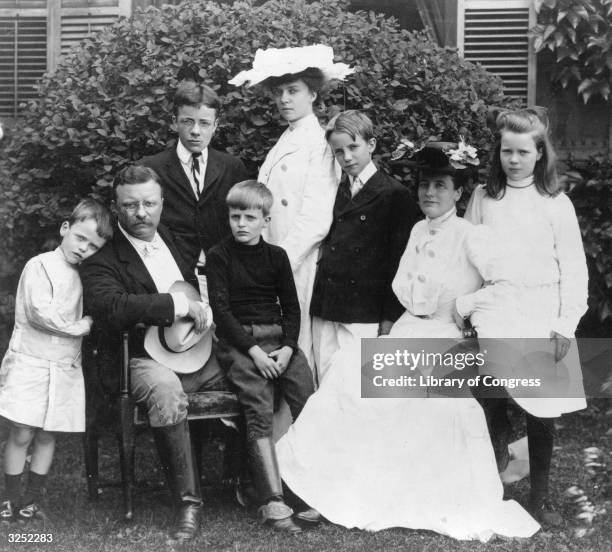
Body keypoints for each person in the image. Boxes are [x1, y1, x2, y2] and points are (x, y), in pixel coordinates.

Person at [275, 143, 540, 541]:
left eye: (439, 185)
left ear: (458, 193)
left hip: (444, 338)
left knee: (395, 398)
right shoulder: (418, 228)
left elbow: (510, 283)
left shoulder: (471, 236)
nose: (429, 193)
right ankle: (327, 489)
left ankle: (377, 494)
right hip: (406, 330)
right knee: (346, 381)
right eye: (423, 185)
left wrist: (466, 307)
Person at [80, 165, 226, 543]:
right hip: (137, 357)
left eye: (149, 203)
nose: (141, 213)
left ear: (162, 203)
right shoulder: (102, 258)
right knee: (166, 391)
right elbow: (112, 306)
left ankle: (252, 484)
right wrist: (177, 304)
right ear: (116, 208)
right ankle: (188, 503)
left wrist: (204, 308)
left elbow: (198, 285)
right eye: (130, 206)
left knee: (251, 372)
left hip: (194, 349)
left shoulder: (175, 240)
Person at [461, 108, 589, 526]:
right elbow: (467, 258)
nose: (513, 160)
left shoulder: (556, 203)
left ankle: (540, 495)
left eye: (522, 152)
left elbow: (574, 270)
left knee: (542, 406)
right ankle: (493, 480)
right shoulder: (484, 198)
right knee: (492, 396)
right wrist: (467, 307)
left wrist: (564, 324)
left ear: (539, 154)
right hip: (497, 310)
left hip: (540, 310)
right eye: (506, 151)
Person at [229, 44, 353, 372]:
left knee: (297, 347)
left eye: (293, 91)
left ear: (313, 94)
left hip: (296, 262)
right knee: (272, 343)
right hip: (271, 259)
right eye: (279, 92)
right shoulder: (285, 140)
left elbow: (316, 218)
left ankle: (300, 421)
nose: (284, 99)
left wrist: (278, 263)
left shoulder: (320, 143)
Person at [206, 180, 315, 533]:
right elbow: (222, 313)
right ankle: (273, 499)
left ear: (265, 221)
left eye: (249, 217)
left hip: (279, 340)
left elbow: (292, 309)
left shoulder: (277, 257)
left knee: (307, 398)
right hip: (241, 343)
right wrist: (255, 353)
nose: (241, 223)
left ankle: (314, 489)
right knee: (258, 405)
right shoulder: (219, 256)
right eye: (235, 216)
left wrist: (287, 348)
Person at [0, 199, 112, 522]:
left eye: (94, 246)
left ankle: (31, 501)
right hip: (31, 363)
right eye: (81, 238)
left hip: (63, 367)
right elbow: (40, 314)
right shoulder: (40, 265)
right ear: (65, 229)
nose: (84, 249)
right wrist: (83, 325)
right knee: (22, 432)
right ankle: (10, 498)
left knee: (49, 435)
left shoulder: (85, 276)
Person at [310, 110, 417, 381]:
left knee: (357, 386)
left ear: (372, 145)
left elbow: (400, 261)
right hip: (328, 306)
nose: (346, 157)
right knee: (325, 383)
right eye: (338, 152)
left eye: (353, 147)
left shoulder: (394, 194)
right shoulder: (333, 188)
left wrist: (390, 317)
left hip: (364, 311)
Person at [141, 80, 249, 275]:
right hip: (171, 273)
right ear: (174, 121)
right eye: (187, 121)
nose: (196, 131)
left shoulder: (232, 167)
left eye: (205, 123)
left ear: (216, 125)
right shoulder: (151, 168)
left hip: (224, 273)